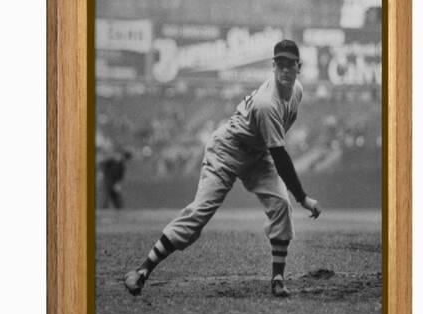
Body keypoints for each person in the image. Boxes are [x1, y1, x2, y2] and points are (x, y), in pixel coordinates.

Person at [124, 40, 321, 298]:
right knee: (199, 214)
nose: (285, 70)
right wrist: (303, 197)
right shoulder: (266, 103)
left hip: (257, 154)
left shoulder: (297, 90)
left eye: (290, 65)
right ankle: (141, 271)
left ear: (299, 67)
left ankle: (277, 278)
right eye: (280, 64)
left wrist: (294, 196)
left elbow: (275, 149)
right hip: (227, 150)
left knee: (282, 205)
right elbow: (280, 156)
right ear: (273, 66)